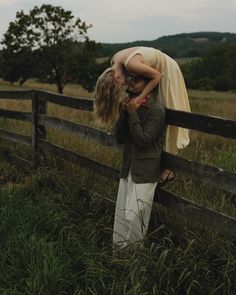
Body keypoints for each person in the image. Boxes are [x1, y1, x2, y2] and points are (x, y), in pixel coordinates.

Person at [94, 46, 191, 183]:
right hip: (155, 71)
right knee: (149, 112)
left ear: (116, 76)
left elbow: (157, 76)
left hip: (166, 70)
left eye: (120, 85)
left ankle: (168, 168)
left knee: (164, 112)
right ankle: (151, 163)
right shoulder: (114, 61)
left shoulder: (130, 64)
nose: (124, 87)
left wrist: (139, 99)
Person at [112, 76, 166, 248]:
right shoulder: (129, 106)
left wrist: (132, 113)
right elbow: (119, 138)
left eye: (136, 81)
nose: (130, 84)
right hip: (128, 167)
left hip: (145, 171)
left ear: (147, 85)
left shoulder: (156, 110)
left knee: (135, 216)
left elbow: (144, 140)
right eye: (130, 80)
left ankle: (133, 256)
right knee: (121, 213)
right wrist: (124, 114)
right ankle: (118, 253)